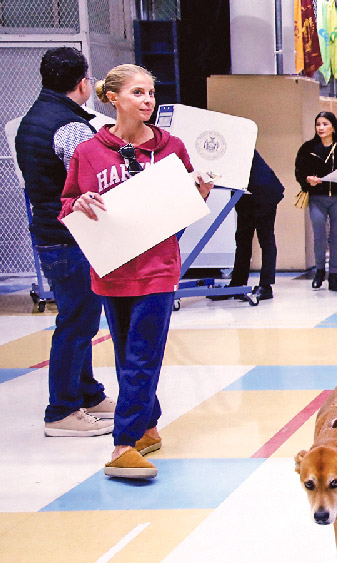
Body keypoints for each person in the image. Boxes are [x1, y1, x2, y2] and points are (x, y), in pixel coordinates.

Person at [59, 63, 214, 479]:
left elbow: (182, 210)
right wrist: (77, 204)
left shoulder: (171, 148)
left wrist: (198, 192)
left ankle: (123, 444)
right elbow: (67, 204)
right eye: (138, 93)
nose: (148, 100)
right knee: (129, 354)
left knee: (143, 356)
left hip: (158, 269)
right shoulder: (88, 152)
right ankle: (147, 424)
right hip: (111, 270)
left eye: (151, 92)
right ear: (113, 98)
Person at [14, 47, 116, 437]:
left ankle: (87, 393)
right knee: (77, 322)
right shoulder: (69, 127)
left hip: (51, 232)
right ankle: (61, 411)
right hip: (70, 236)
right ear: (82, 84)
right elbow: (94, 175)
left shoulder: (33, 120)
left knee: (80, 320)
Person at [294, 112, 337, 292]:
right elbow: (299, 171)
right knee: (319, 235)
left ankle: (334, 276)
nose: (321, 128)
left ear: (333, 127)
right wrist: (307, 179)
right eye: (318, 124)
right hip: (317, 198)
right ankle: (319, 271)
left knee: (336, 237)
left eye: (325, 124)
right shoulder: (308, 148)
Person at [211, 150, 284, 301]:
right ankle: (237, 284)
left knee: (266, 239)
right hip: (244, 194)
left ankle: (266, 286)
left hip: (264, 191)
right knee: (242, 239)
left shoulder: (237, 141)